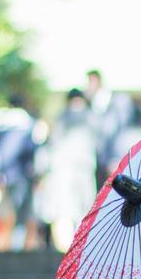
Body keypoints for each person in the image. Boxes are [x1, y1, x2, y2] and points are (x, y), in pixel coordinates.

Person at [42, 89, 99, 252]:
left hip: (63, 169)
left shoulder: (62, 118)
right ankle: (80, 247)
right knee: (83, 208)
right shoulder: (91, 117)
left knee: (65, 209)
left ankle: (67, 249)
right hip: (83, 168)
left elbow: (52, 145)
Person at [0, 96, 39, 250]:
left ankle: (6, 247)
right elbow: (31, 151)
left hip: (6, 175)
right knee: (22, 213)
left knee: (7, 211)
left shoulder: (2, 126)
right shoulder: (28, 125)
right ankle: (17, 247)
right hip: (23, 175)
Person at [85, 69, 134, 189]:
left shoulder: (118, 102)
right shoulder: (92, 105)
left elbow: (121, 132)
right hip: (99, 162)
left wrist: (115, 158)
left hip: (113, 160)